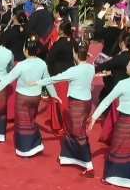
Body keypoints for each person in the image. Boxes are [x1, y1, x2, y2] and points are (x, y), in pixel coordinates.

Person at [90, 52, 130, 189]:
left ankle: (113, 176)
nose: (127, 65)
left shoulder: (122, 84)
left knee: (118, 147)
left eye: (129, 64)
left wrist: (94, 117)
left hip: (125, 120)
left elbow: (106, 101)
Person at [0, 39, 57, 158]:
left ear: (25, 51)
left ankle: (25, 148)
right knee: (31, 120)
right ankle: (35, 144)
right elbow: (48, 81)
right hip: (36, 97)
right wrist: (54, 95)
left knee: (23, 123)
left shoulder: (21, 65)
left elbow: (7, 79)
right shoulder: (42, 64)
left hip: (22, 98)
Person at [40, 43, 98, 174]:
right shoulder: (91, 68)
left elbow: (55, 78)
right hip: (86, 103)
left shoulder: (73, 70)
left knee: (78, 133)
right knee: (71, 129)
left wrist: (39, 82)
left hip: (77, 104)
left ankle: (89, 166)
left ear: (75, 54)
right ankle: (66, 156)